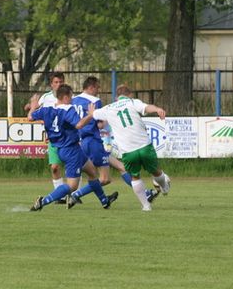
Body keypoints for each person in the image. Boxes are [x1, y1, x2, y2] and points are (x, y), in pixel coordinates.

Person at [67, 76, 159, 208]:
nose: (98, 91)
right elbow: (99, 124)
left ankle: (144, 193)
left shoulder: (73, 100)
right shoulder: (94, 101)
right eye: (97, 87)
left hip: (80, 142)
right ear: (91, 87)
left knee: (119, 167)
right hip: (93, 142)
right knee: (105, 178)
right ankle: (77, 195)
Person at [28, 84, 118, 211]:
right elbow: (79, 124)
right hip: (71, 151)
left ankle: (104, 201)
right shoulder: (68, 109)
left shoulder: (47, 109)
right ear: (65, 97)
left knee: (92, 172)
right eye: (71, 96)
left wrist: (33, 107)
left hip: (66, 149)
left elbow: (30, 117)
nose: (72, 99)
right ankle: (43, 201)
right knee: (72, 186)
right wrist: (91, 115)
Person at [88, 84, 170, 211]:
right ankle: (164, 186)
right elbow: (147, 107)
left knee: (135, 177)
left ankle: (146, 206)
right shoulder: (133, 102)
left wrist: (92, 112)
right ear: (130, 94)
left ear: (116, 97)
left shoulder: (108, 108)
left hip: (128, 150)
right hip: (144, 145)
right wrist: (157, 109)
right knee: (156, 171)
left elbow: (95, 115)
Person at [25, 72, 66, 204]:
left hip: (68, 138)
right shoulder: (46, 97)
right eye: (56, 82)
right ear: (51, 84)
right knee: (54, 167)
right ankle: (60, 197)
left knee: (78, 166)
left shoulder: (70, 97)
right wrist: (30, 106)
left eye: (61, 82)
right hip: (53, 139)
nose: (59, 85)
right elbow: (34, 109)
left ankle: (74, 195)